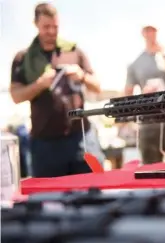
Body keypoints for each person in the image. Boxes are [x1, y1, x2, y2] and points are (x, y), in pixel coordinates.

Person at [9, 3, 105, 177]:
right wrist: (40, 84)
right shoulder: (23, 58)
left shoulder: (75, 51)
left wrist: (82, 75)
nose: (52, 31)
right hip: (45, 145)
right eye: (46, 27)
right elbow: (15, 96)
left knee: (93, 193)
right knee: (49, 201)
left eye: (55, 26)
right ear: (35, 24)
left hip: (81, 138)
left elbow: (97, 86)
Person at [125, 21, 165, 164]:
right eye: (147, 30)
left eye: (153, 30)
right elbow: (128, 92)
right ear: (142, 33)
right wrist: (141, 97)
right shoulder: (136, 63)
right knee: (150, 166)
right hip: (150, 121)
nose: (150, 34)